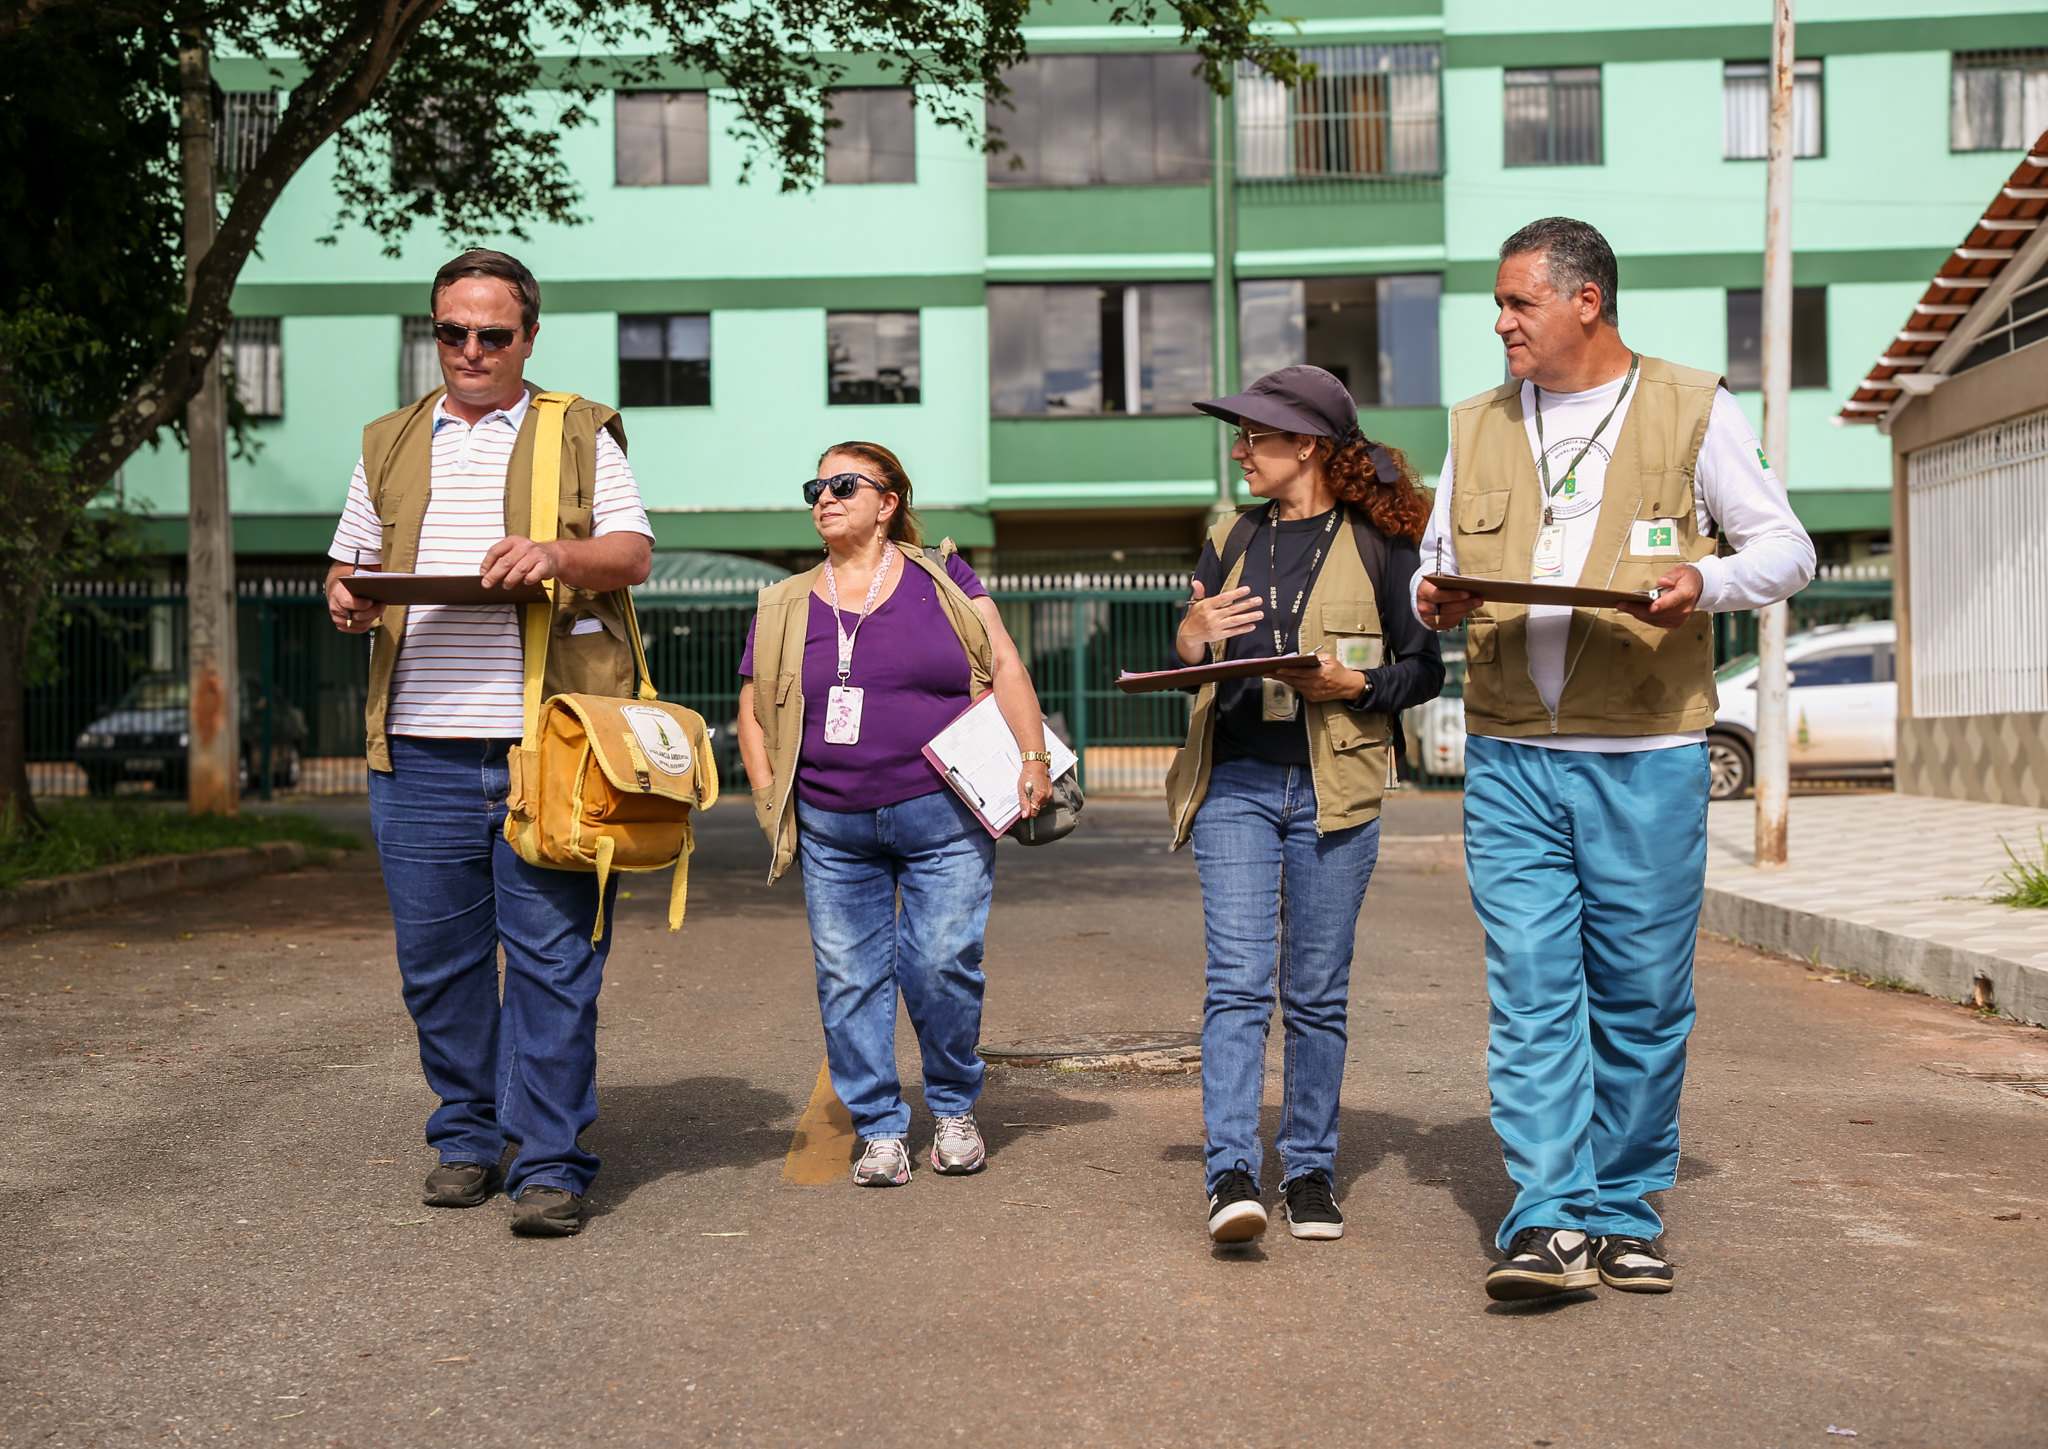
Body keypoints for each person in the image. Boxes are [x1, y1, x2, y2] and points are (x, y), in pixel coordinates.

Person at [1414, 217, 1815, 1300]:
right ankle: (1546, 1219)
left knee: (1638, 997)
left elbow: (1785, 548)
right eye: (1497, 306)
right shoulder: (1476, 423)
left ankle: (1620, 1208)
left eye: (1516, 304)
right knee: (1532, 992)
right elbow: (1438, 556)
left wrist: (1706, 582)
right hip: (1506, 757)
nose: (1499, 323)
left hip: (1644, 753)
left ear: (1583, 301)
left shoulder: (1693, 406)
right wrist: (1431, 591)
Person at [324, 249, 654, 1238]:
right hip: (416, 749)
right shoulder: (387, 440)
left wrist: (554, 555)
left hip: (547, 748)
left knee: (554, 960)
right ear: (433, 333)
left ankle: (550, 1160)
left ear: (529, 337)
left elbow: (633, 553)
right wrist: (341, 593)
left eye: (492, 334)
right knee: (439, 965)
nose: (470, 350)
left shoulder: (578, 430)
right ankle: (467, 1139)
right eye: (451, 332)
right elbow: (349, 565)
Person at [1168, 366, 1445, 1245]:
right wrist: (1190, 638)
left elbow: (1423, 668)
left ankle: (1312, 1169)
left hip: (1337, 787)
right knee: (1238, 984)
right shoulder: (1233, 534)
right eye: (1240, 435)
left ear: (1309, 447)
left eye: (1257, 436)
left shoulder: (1380, 540)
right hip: (1239, 783)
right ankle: (1230, 1172)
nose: (1241, 450)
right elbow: (1186, 645)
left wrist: (1353, 681)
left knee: (1317, 992)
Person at [735, 443, 1051, 1188]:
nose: (825, 496)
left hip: (942, 811)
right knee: (848, 978)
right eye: (816, 485)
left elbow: (1003, 663)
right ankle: (879, 1125)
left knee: (941, 963)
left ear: (889, 502)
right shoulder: (783, 601)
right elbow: (751, 708)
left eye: (844, 484)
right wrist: (767, 787)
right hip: (832, 822)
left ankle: (951, 1108)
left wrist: (1032, 756)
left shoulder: (943, 578)